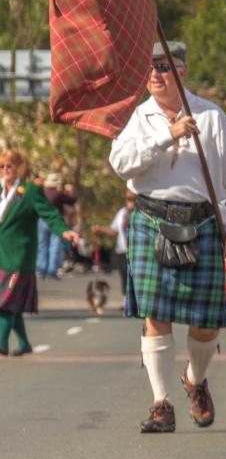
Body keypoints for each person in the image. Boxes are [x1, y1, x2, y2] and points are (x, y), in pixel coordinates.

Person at [109, 41, 226, 433]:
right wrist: (167, 136)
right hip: (151, 219)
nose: (156, 75)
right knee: (155, 317)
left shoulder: (211, 117)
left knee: (206, 324)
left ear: (182, 71)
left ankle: (195, 380)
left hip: (203, 223)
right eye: (150, 68)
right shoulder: (137, 118)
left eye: (164, 67)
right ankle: (161, 404)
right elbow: (120, 163)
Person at [1, 150, 80, 355]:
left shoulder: (30, 191)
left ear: (19, 167)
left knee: (6, 301)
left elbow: (51, 214)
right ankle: (25, 343)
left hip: (20, 257)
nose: (5, 170)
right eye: (1, 166)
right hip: (2, 255)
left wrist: (64, 232)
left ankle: (0, 342)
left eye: (9, 165)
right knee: (10, 302)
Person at [92, 193, 134, 296]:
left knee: (135, 276)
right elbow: (113, 230)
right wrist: (100, 229)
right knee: (124, 274)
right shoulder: (122, 213)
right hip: (123, 249)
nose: (130, 203)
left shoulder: (141, 213)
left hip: (137, 250)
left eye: (132, 200)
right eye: (128, 200)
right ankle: (125, 300)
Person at [38, 172, 75, 279]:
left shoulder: (42, 193)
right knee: (54, 245)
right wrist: (73, 191)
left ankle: (42, 269)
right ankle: (52, 270)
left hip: (42, 220)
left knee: (43, 245)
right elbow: (72, 200)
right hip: (55, 221)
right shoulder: (58, 193)